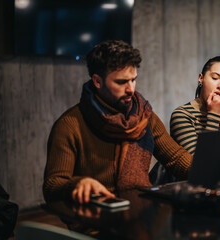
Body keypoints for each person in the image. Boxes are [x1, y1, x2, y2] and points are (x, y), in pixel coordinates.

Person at [43, 40, 192, 205]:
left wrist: (209, 171)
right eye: (121, 82)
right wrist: (77, 184)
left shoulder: (143, 116)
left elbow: (176, 158)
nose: (131, 89)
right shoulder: (69, 125)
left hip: (142, 213)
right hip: (95, 221)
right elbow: (52, 186)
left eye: (133, 80)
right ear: (97, 81)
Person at [170, 56, 220, 155]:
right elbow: (200, 164)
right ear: (201, 78)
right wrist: (214, 115)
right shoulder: (182, 115)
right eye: (215, 78)